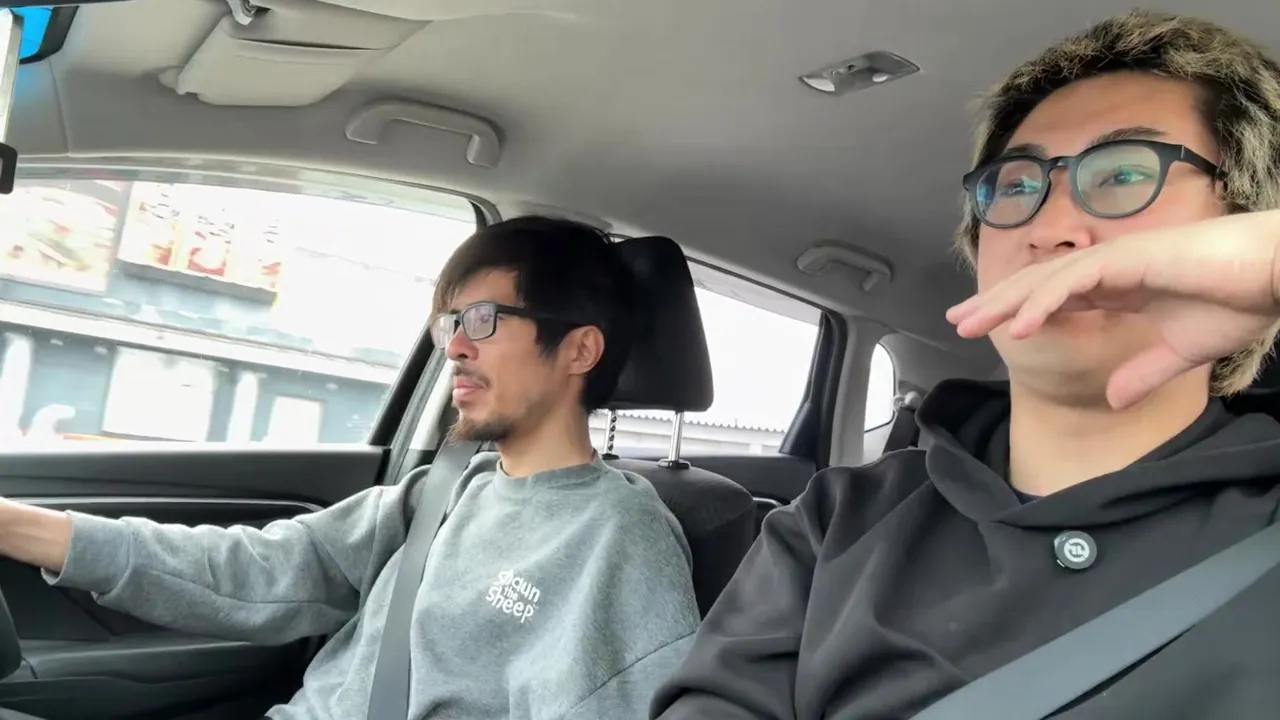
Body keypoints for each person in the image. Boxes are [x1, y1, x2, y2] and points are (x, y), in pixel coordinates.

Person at [651, 10, 1280, 719]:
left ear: (1246, 223)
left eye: (1125, 173)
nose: (1051, 227)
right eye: (1016, 186)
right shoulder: (838, 519)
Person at [0, 216, 700, 719]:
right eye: (450, 324)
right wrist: (16, 526)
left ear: (579, 350)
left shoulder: (620, 535)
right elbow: (252, 569)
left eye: (483, 320)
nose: (455, 348)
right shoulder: (441, 494)